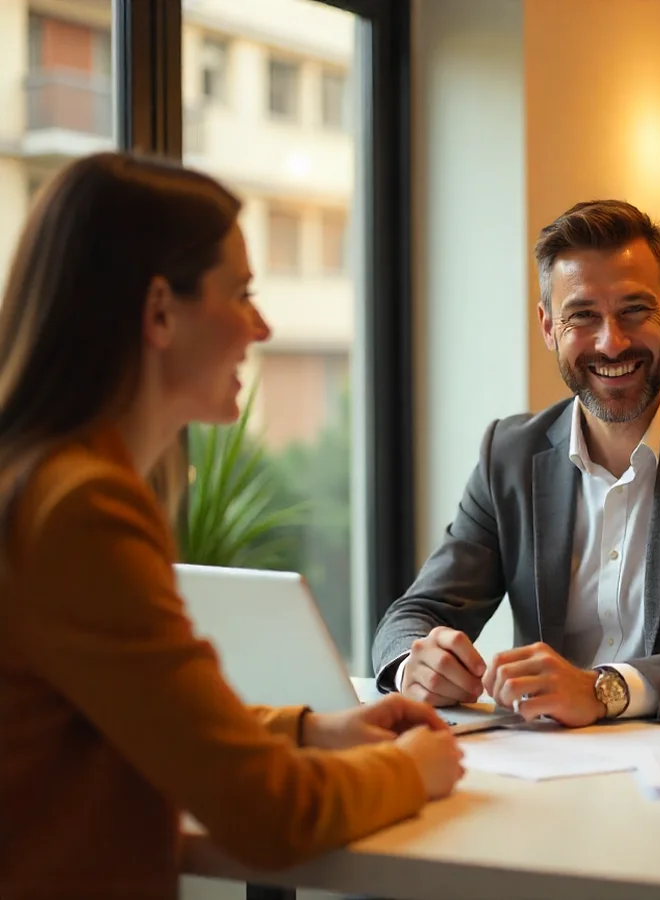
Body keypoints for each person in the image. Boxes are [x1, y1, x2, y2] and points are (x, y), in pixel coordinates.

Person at [0, 153, 464, 900]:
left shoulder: (37, 482)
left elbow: (141, 712)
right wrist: (411, 770)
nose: (262, 324)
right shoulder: (83, 509)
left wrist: (315, 731)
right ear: (159, 311)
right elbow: (267, 814)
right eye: (241, 293)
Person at [373, 199, 660, 725]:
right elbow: (414, 614)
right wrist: (415, 664)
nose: (612, 343)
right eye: (582, 316)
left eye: (634, 311)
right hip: (546, 769)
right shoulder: (509, 455)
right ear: (548, 327)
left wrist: (607, 690)